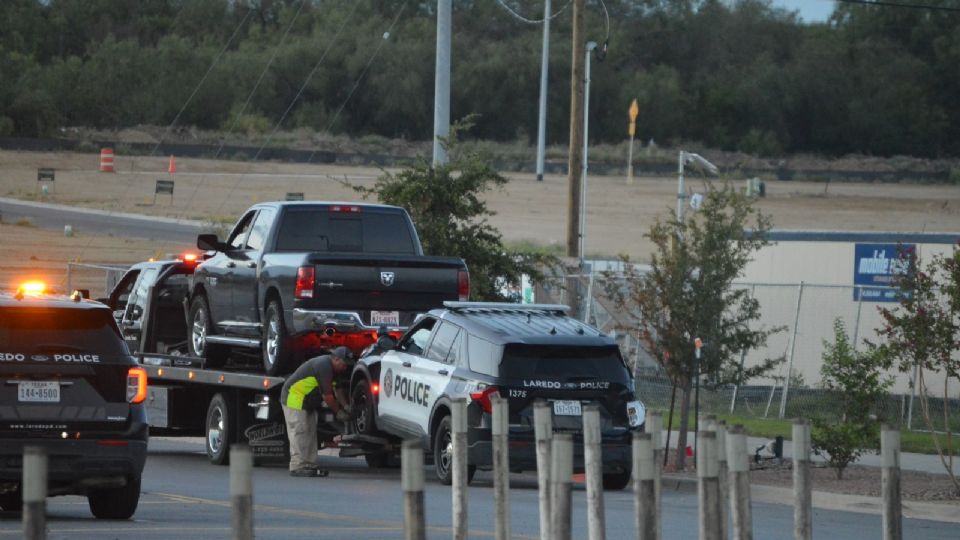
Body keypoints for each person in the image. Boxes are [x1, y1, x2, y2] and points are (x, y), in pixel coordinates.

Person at [280, 346, 353, 477]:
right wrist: (339, 412)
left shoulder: (335, 370)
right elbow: (328, 396)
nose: (345, 367)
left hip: (307, 401)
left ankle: (309, 465)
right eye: (344, 364)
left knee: (310, 431)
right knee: (300, 431)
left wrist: (346, 406)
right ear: (336, 359)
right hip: (294, 397)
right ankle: (297, 466)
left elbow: (338, 390)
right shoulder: (324, 366)